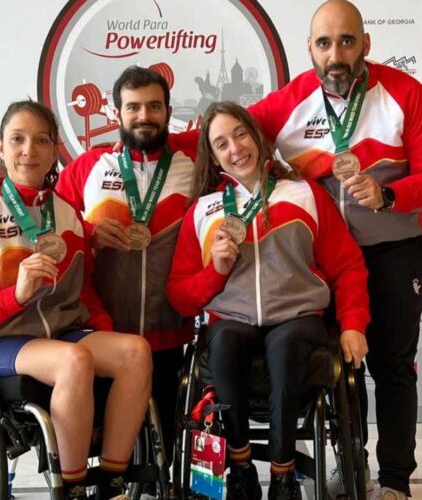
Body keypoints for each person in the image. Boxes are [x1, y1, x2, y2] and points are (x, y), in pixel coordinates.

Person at [248, 2, 422, 498]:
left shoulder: (404, 92)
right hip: (326, 265)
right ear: (310, 51)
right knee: (342, 370)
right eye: (324, 43)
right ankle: (351, 460)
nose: (335, 54)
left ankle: (396, 481)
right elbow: (228, 136)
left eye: (346, 41)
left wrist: (389, 195)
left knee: (393, 367)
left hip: (393, 251)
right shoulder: (293, 99)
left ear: (366, 44)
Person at [0, 100, 153, 500]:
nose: (29, 151)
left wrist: (104, 335)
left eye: (41, 141)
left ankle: (112, 483)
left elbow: (83, 294)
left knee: (135, 352)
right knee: (75, 360)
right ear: (0, 147)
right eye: (17, 140)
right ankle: (70, 489)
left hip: (61, 333)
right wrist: (14, 295)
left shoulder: (68, 214)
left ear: (55, 150)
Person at [167, 102, 370, 500]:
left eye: (240, 134)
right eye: (221, 143)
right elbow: (180, 295)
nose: (235, 148)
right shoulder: (204, 211)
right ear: (213, 156)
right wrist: (217, 270)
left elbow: (348, 265)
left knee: (285, 344)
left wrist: (352, 324)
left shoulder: (304, 194)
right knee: (222, 342)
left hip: (297, 317)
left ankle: (283, 474)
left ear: (258, 137)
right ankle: (240, 467)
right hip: (233, 319)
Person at [56, 65, 197, 461]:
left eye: (154, 106)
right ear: (115, 114)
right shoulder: (87, 168)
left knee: (164, 456)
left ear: (169, 112)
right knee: (99, 450)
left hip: (168, 334)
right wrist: (88, 232)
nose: (144, 116)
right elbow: (52, 235)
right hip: (102, 335)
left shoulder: (194, 166)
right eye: (133, 107)